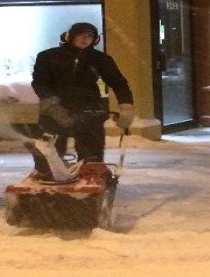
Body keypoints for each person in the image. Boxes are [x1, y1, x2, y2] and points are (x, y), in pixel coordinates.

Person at [27, 22, 134, 181]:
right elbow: (40, 83)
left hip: (88, 108)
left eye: (90, 36)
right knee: (48, 147)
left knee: (91, 149)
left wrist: (126, 107)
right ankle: (46, 174)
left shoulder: (100, 59)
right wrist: (51, 103)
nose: (85, 39)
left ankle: (90, 174)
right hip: (54, 109)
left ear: (95, 40)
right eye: (80, 35)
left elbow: (119, 84)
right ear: (70, 36)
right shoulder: (48, 57)